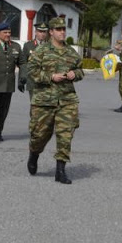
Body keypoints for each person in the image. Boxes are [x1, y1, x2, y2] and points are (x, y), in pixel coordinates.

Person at [26, 17, 84, 184]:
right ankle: (34, 153)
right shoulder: (41, 51)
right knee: (39, 135)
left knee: (66, 135)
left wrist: (75, 74)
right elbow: (31, 70)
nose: (62, 32)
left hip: (67, 100)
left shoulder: (71, 52)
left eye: (63, 29)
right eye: (58, 29)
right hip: (44, 100)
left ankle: (60, 170)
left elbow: (80, 69)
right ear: (51, 32)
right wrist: (50, 77)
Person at [19, 22, 49, 100]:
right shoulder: (28, 45)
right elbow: (23, 63)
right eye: (40, 31)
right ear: (35, 32)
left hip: (48, 82)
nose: (42, 34)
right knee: (35, 107)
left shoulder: (51, 46)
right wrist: (21, 80)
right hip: (33, 82)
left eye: (44, 32)